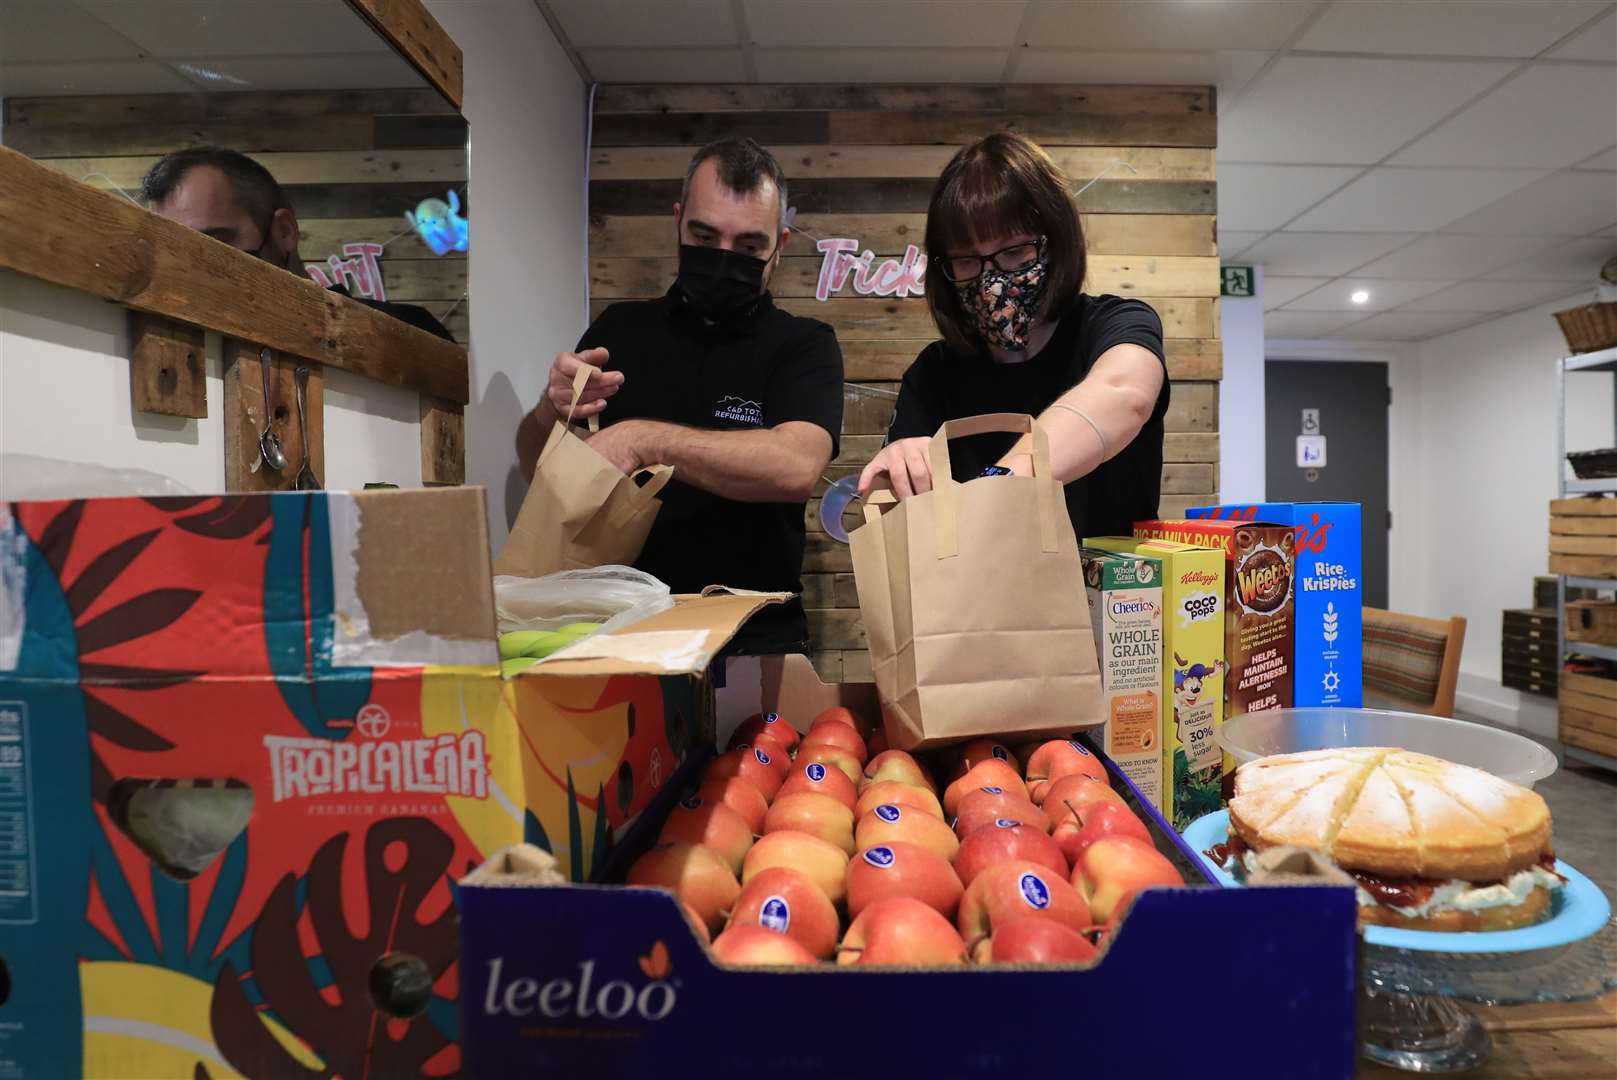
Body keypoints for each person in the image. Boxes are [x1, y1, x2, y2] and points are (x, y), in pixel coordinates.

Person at [516, 137, 843, 653]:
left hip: (752, 641)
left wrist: (643, 440)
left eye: (749, 247)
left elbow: (796, 467)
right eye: (704, 235)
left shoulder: (804, 343)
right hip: (617, 636)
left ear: (779, 244)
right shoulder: (619, 329)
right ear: (677, 221)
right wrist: (548, 410)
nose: (722, 259)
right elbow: (541, 471)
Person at [858, 132, 1169, 541]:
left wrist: (999, 484)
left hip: (1116, 600)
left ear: (1056, 243)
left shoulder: (1115, 325)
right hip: (981, 601)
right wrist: (897, 465)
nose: (991, 280)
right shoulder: (934, 373)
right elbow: (904, 523)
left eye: (1015, 253)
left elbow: (1124, 395)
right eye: (967, 260)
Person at [140, 146, 455, 342]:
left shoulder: (407, 334)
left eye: (215, 244)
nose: (194, 267)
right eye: (176, 250)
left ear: (284, 231)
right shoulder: (183, 343)